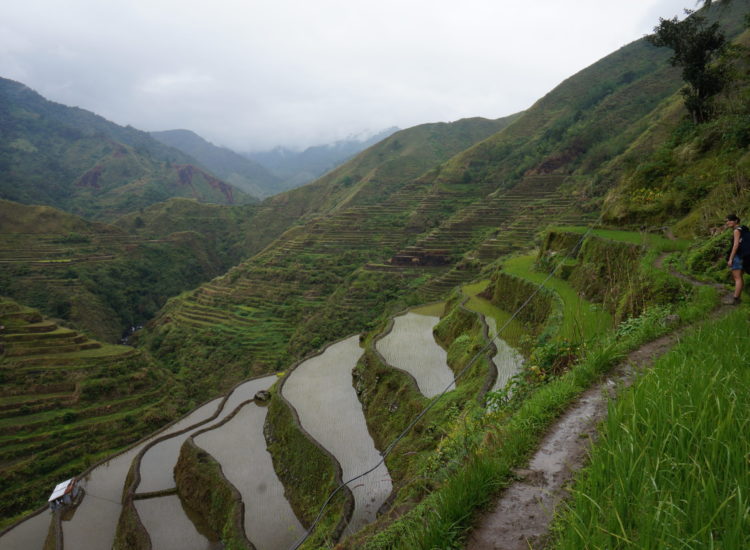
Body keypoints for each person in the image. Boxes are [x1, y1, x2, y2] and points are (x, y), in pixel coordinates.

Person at [725, 214, 748, 305]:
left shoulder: (736, 231)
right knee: (739, 277)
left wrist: (731, 259)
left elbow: (735, 245)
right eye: (726, 221)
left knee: (737, 278)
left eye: (729, 220)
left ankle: (736, 300)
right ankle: (738, 298)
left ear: (735, 221)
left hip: (738, 256)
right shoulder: (743, 228)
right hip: (744, 256)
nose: (727, 222)